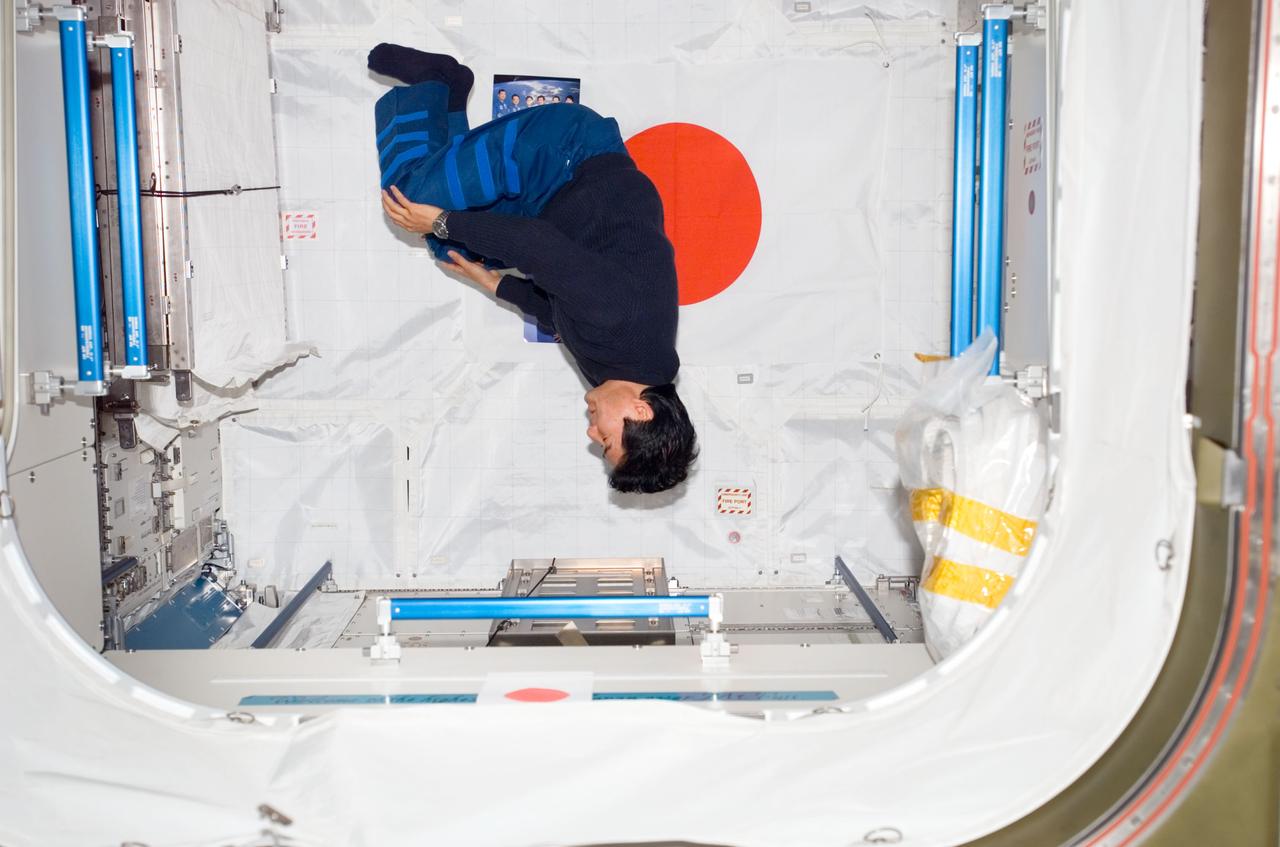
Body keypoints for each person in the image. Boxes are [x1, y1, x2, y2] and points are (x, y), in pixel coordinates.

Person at [368, 43, 697, 494]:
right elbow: (538, 249)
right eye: (607, 441)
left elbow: (562, 312)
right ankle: (435, 80)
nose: (592, 435)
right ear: (641, 412)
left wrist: (497, 284)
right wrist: (441, 220)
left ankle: (448, 98)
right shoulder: (625, 325)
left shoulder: (631, 369)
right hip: (564, 155)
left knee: (452, 251)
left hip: (555, 203)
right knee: (410, 198)